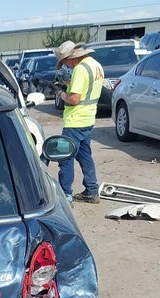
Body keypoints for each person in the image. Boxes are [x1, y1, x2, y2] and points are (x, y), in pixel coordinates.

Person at [53, 40, 104, 204]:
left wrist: (60, 93)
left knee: (65, 157)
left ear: (70, 57)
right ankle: (92, 190)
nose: (65, 66)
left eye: (64, 62)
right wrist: (68, 85)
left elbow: (74, 99)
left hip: (75, 120)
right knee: (84, 155)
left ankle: (66, 195)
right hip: (88, 118)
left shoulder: (80, 69)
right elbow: (86, 90)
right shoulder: (95, 65)